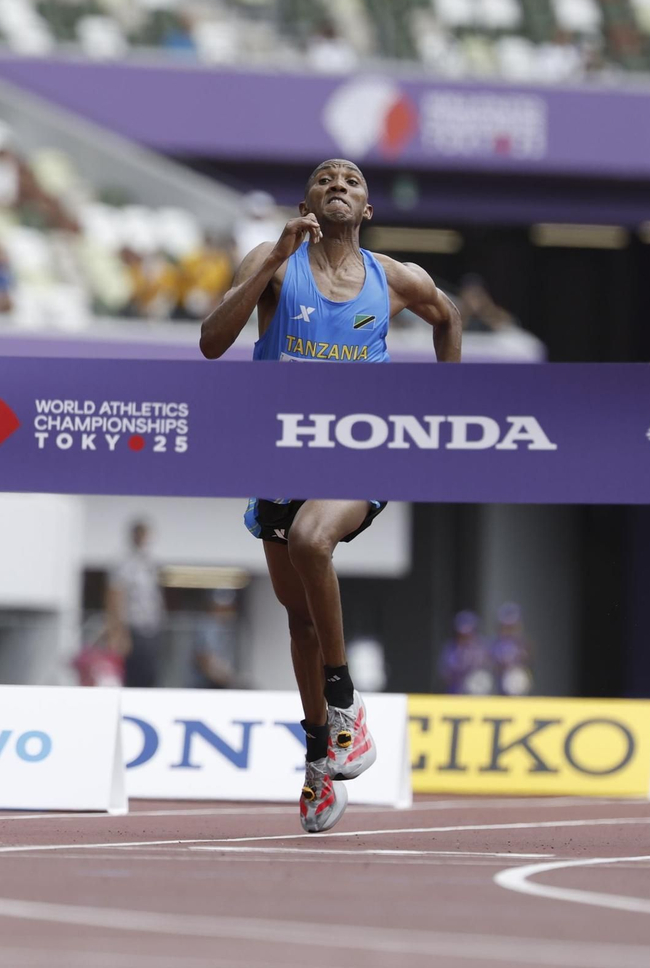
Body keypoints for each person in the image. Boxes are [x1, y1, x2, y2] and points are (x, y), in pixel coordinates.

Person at [199, 159, 462, 833]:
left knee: (315, 537)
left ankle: (345, 703)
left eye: (351, 180)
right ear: (307, 201)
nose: (337, 184)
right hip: (278, 454)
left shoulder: (394, 279)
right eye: (324, 179)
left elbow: (448, 316)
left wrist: (443, 402)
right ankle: (320, 761)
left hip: (359, 451)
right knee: (301, 625)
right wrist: (268, 264)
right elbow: (210, 344)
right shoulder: (276, 262)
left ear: (367, 209)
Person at [105, 519, 166, 689]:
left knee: (150, 674)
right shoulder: (124, 563)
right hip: (132, 628)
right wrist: (118, 631)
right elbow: (115, 596)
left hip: (150, 628)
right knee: (134, 675)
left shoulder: (149, 561)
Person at [190, 589, 241, 689]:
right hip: (204, 684)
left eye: (229, 609)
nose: (226, 612)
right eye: (223, 609)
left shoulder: (229, 628)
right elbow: (201, 657)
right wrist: (218, 675)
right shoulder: (205, 627)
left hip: (221, 682)